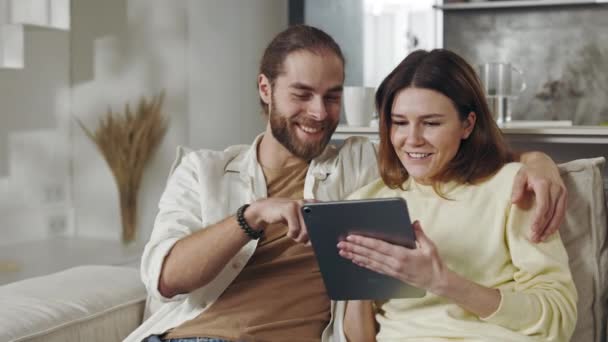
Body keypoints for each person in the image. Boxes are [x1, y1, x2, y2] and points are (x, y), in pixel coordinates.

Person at [125, 26, 567, 342]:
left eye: (332, 96)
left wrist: (540, 162)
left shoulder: (362, 168)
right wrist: (253, 214)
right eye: (302, 94)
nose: (319, 112)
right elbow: (164, 279)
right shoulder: (202, 171)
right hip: (193, 335)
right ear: (265, 89)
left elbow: (453, 157)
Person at [338, 49, 577, 341]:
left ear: (468, 124)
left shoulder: (514, 189)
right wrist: (362, 281)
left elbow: (558, 318)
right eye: (399, 122)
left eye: (431, 123)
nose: (412, 139)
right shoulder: (366, 204)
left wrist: (442, 282)